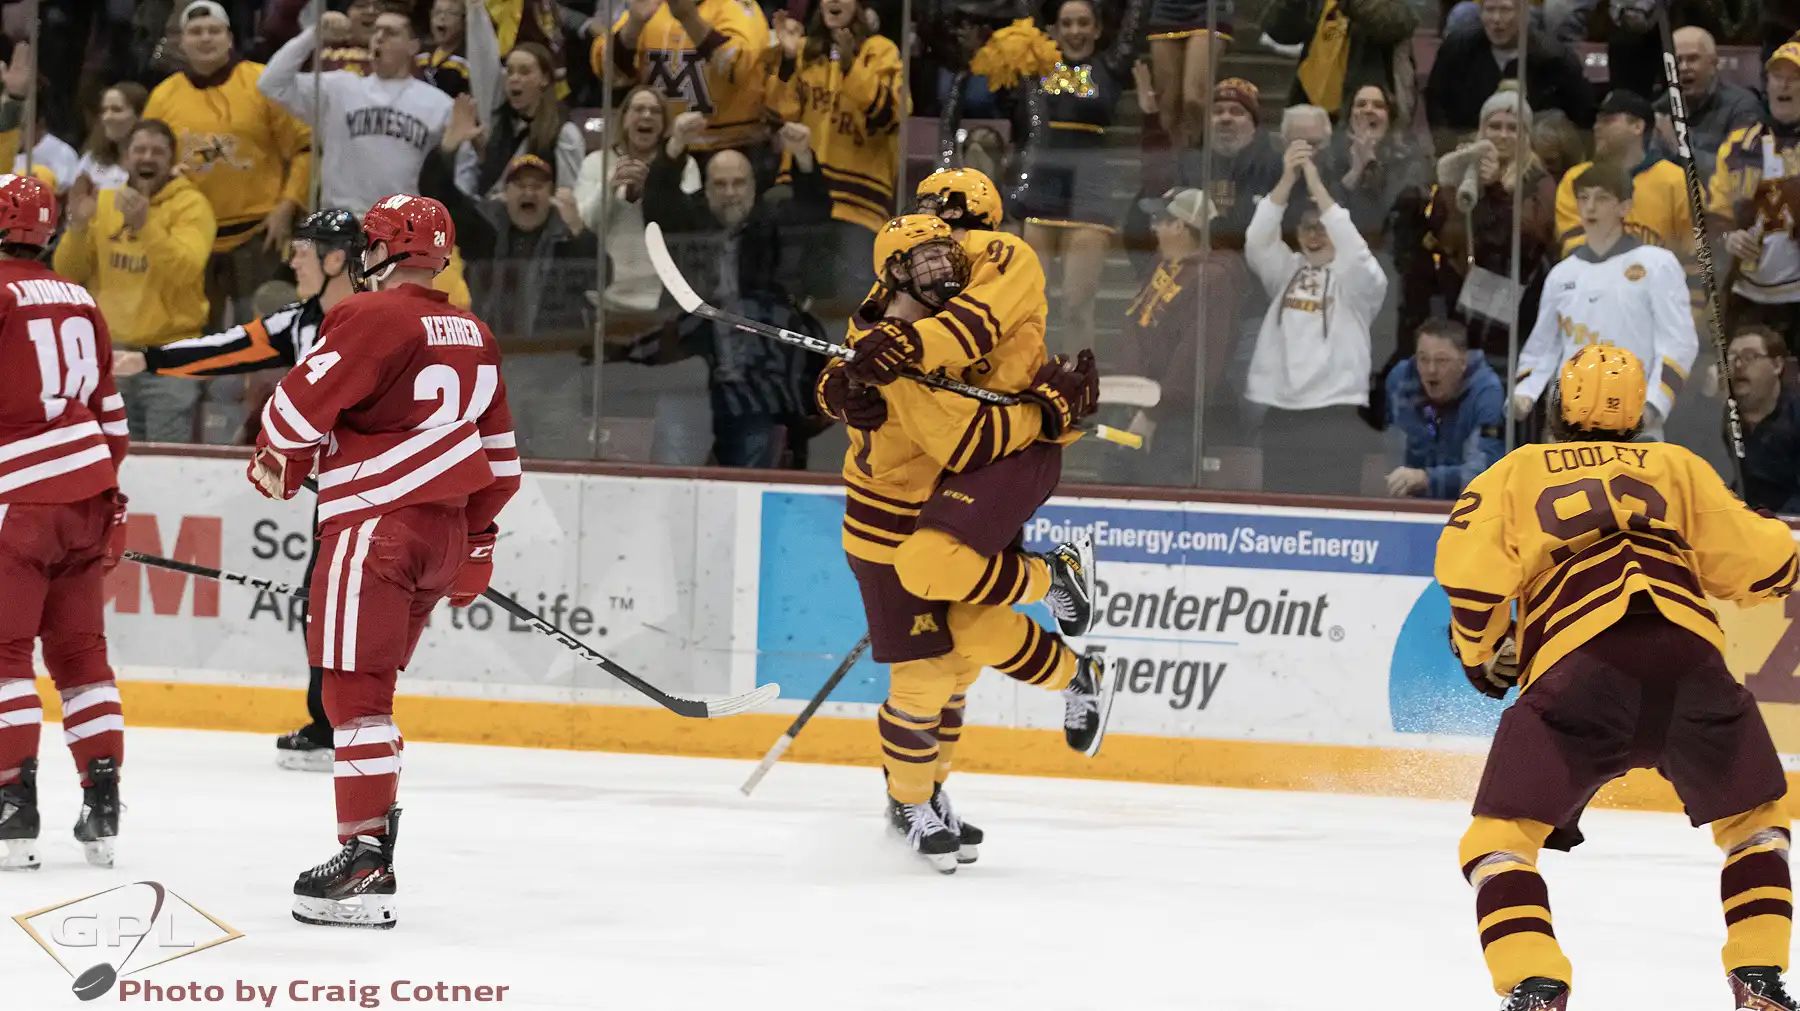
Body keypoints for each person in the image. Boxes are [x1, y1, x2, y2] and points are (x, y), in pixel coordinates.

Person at [1437, 344, 1800, 1011]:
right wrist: (1775, 549)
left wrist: (1478, 654)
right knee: (1758, 825)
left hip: (1580, 666)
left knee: (1499, 840)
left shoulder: (1516, 470)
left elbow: (1469, 577)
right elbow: (1764, 561)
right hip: (1690, 657)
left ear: (1556, 409)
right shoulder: (1677, 466)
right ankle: (1761, 974)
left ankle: (1534, 977)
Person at [249, 194, 519, 929]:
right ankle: (374, 835)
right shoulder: (474, 331)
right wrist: (479, 542)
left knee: (354, 697)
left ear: (384, 249)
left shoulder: (373, 316)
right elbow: (499, 464)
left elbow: (290, 413)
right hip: (440, 537)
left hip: (377, 529)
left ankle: (365, 856)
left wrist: (283, 454)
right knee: (370, 693)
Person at [820, 213, 1111, 872]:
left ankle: (929, 791)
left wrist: (1043, 412)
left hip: (947, 512)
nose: (942, 268)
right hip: (885, 523)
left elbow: (969, 391)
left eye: (945, 254)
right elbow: (963, 441)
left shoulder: (928, 326)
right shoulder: (887, 345)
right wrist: (1044, 420)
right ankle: (908, 801)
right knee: (924, 680)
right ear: (894, 272)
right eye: (923, 262)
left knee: (965, 656)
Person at [112, 209, 364, 773]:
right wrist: (151, 360)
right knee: (322, 605)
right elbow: (230, 345)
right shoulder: (301, 323)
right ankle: (336, 725)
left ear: (336, 257)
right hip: (340, 497)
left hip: (381, 493)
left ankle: (346, 727)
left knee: (340, 607)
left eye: (306, 249)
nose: (292, 258)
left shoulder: (377, 320)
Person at [0, 175, 131, 874]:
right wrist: (105, 496)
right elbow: (113, 417)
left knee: (4, 654)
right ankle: (102, 797)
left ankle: (11, 799)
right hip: (88, 496)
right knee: (82, 660)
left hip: (17, 498)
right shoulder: (80, 297)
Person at [146, 0, 314, 329]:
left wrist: (288, 205)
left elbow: (305, 147)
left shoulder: (262, 83)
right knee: (193, 333)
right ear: (181, 41)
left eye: (214, 31)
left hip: (258, 234)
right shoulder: (163, 97)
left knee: (262, 332)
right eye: (195, 32)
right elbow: (145, 160)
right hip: (190, 237)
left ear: (230, 38)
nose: (205, 38)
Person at [422, 152, 598, 459]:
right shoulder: (485, 230)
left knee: (564, 461)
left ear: (552, 194)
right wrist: (448, 147)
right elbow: (439, 196)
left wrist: (579, 230)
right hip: (500, 370)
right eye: (521, 185)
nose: (529, 192)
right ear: (507, 193)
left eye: (538, 186)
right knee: (493, 461)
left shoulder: (567, 237)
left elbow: (602, 275)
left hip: (555, 376)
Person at [54, 120, 218, 444]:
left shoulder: (192, 207)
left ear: (171, 160)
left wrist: (146, 227)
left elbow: (185, 269)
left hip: (169, 358)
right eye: (139, 149)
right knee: (110, 462)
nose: (147, 157)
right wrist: (77, 227)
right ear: (125, 158)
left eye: (158, 151)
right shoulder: (103, 203)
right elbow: (67, 275)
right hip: (110, 356)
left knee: (167, 467)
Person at [1244, 137, 1387, 495]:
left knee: (1333, 513)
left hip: (1336, 415)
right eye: (1306, 227)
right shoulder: (1286, 271)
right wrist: (1288, 179)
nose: (1313, 235)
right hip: (1282, 413)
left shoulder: (1360, 282)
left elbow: (1354, 251)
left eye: (1322, 226)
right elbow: (1257, 240)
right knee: (1279, 513)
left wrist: (1319, 188)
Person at [1516, 163, 1698, 441]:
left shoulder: (1657, 264)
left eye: (1602, 198)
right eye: (1583, 198)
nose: (1590, 207)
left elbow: (1679, 343)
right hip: (1569, 425)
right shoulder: (1562, 273)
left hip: (1633, 423)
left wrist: (1653, 405)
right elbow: (1543, 346)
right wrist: (1524, 393)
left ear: (1624, 207)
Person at [1007, 0, 1143, 353]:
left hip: (1089, 189)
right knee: (1028, 305)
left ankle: (1078, 388)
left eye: (1084, 23)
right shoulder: (1038, 63)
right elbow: (1025, 9)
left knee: (1076, 305)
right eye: (1067, 23)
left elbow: (1135, 19)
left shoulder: (1111, 66)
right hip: (1041, 187)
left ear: (1098, 29)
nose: (1075, 31)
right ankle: (1028, 383)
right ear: (1053, 30)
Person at [766, 0, 906, 301]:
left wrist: (850, 68)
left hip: (858, 204)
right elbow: (776, 115)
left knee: (851, 304)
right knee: (785, 298)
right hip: (801, 196)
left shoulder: (881, 51)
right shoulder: (806, 49)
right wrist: (788, 60)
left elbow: (893, 116)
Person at [259, 6, 453, 216]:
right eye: (376, 31)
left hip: (403, 226)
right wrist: (314, 35)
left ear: (413, 46)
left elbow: (455, 178)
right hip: (341, 224)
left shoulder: (438, 104)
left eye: (391, 33)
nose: (379, 37)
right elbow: (271, 84)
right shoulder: (339, 87)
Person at [1122, 186, 1240, 483]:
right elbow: (1138, 329)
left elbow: (1195, 356)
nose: (1153, 228)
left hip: (1173, 419)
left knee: (1161, 492)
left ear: (1180, 225)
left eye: (1160, 220)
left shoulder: (1213, 279)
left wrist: (1153, 413)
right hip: (1133, 404)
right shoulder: (1162, 265)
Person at [575, 85, 698, 318]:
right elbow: (584, 225)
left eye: (655, 111)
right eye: (638, 109)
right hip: (606, 294)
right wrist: (610, 188)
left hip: (663, 295)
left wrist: (653, 191)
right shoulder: (596, 162)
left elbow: (686, 225)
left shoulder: (685, 165)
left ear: (664, 125)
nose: (646, 116)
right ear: (624, 119)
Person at [1710, 39, 1800, 350]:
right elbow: (1713, 217)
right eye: (1777, 76)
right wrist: (1728, 239)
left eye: (1794, 77)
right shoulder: (1737, 146)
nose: (1783, 84)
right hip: (1748, 297)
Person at [596, 0, 773, 154]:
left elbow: (741, 67)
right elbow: (608, 72)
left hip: (731, 148)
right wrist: (633, 26)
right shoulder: (651, 6)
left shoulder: (739, 7)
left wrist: (689, 19)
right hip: (660, 147)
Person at [1423, 0, 1595, 154]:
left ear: (1524, 13)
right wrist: (1450, 148)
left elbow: (1582, 117)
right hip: (1470, 153)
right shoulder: (1456, 51)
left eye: (1505, 10)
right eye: (1489, 10)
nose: (1496, 19)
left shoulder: (1555, 59)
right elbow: (1437, 104)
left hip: (1533, 160)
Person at [1552, 89, 1689, 257]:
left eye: (1607, 120)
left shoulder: (1677, 180)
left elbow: (1697, 259)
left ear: (1637, 126)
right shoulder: (1576, 178)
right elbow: (1574, 250)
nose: (1597, 127)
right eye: (1597, 121)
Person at [463, 9, 585, 194]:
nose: (514, 78)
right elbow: (482, 61)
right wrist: (484, 157)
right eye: (510, 71)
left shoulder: (564, 134)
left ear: (544, 79)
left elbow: (568, 198)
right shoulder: (500, 121)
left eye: (524, 71)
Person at [1383, 316, 1503, 499]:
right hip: (1409, 507)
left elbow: (1488, 470)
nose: (1431, 369)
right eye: (1423, 359)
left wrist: (1427, 479)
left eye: (1441, 361)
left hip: (1469, 508)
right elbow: (1391, 448)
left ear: (1463, 362)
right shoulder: (1401, 380)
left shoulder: (1487, 392)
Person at [1656, 26, 1761, 181]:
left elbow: (1737, 172)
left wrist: (1679, 150)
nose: (1684, 67)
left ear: (1713, 64)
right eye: (1677, 60)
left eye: (1693, 59)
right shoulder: (1661, 109)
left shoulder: (1742, 108)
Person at [1725, 326, 1800, 514]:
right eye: (1732, 357)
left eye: (1750, 356)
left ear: (1777, 365)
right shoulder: (1727, 415)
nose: (1739, 365)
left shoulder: (1795, 415)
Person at [1144, 0, 1231, 152]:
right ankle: (1173, 165)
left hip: (1208, 7)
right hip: (1165, 8)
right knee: (1167, 103)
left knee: (1195, 98)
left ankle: (1196, 160)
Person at [73, 83, 149, 192]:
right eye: (104, 110)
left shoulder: (149, 162)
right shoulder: (91, 160)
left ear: (140, 115)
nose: (107, 117)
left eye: (116, 110)